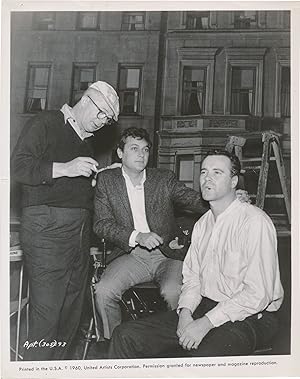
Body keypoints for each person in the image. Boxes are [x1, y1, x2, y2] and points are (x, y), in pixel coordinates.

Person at [108, 149, 284, 359]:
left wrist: (206, 323)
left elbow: (257, 294)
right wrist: (184, 313)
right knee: (125, 335)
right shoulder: (202, 224)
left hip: (250, 315)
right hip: (207, 307)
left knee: (203, 355)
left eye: (217, 172)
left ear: (234, 181)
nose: (207, 178)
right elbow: (192, 280)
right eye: (203, 172)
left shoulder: (254, 222)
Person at [93, 129, 248, 341]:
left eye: (145, 150)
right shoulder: (106, 180)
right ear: (120, 153)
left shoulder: (163, 179)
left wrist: (226, 197)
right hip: (130, 255)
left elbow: (193, 199)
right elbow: (101, 224)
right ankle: (114, 343)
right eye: (134, 149)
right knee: (103, 291)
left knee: (175, 292)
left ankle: (180, 340)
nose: (141, 155)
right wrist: (137, 236)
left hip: (168, 254)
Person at [11, 81, 119, 361]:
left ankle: (55, 370)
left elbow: (73, 188)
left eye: (107, 120)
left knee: (70, 313)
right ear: (86, 101)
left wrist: (104, 176)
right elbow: (19, 167)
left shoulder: (85, 140)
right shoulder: (46, 121)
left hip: (78, 233)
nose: (102, 123)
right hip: (47, 228)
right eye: (102, 115)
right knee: (48, 313)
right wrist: (66, 168)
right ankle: (34, 369)